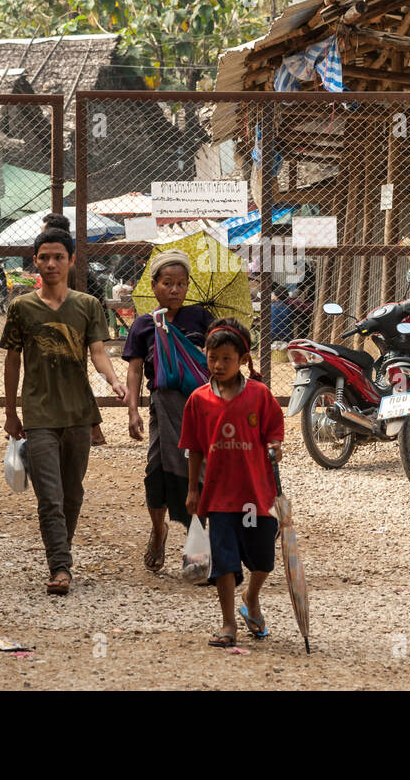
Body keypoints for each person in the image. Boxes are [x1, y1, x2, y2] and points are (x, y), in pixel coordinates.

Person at [2, 227, 126, 596]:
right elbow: (12, 362)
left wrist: (114, 381)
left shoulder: (87, 305)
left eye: (59, 257)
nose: (52, 263)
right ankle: (60, 566)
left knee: (73, 495)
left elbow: (99, 352)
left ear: (72, 261)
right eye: (44, 257)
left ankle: (61, 551)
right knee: (50, 497)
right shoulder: (21, 307)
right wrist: (11, 413)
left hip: (78, 414)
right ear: (35, 262)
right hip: (39, 414)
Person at [180, 318, 284, 648]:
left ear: (242, 359)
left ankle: (251, 597)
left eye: (227, 358)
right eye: (213, 358)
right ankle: (228, 624)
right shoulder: (198, 400)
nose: (219, 365)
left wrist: (274, 447)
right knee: (223, 559)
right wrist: (193, 490)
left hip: (255, 493)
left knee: (263, 557)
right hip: (219, 496)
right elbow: (194, 448)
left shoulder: (260, 396)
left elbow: (274, 433)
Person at [123, 250, 213, 572]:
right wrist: (133, 411)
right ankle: (159, 530)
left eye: (180, 284)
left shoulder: (200, 318)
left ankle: (197, 543)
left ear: (188, 286)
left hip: (201, 409)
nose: (174, 290)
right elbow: (134, 371)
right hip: (162, 408)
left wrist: (207, 353)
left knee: (198, 474)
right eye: (167, 283)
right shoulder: (145, 325)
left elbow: (221, 356)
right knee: (156, 472)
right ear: (154, 285)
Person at [42, 213, 106, 447]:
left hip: (75, 325)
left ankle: (94, 430)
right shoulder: (67, 257)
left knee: (75, 378)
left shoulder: (64, 263)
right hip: (72, 323)